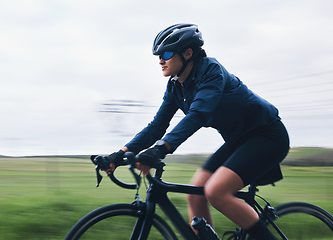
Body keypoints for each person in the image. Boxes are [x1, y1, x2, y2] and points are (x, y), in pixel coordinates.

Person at [103, 23, 289, 240]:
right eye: (158, 56)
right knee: (196, 194)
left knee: (215, 192)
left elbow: (198, 115)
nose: (160, 60)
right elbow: (156, 127)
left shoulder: (211, 71)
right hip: (238, 139)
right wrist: (119, 153)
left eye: (166, 53)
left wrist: (161, 149)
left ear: (188, 53)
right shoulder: (175, 87)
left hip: (267, 136)